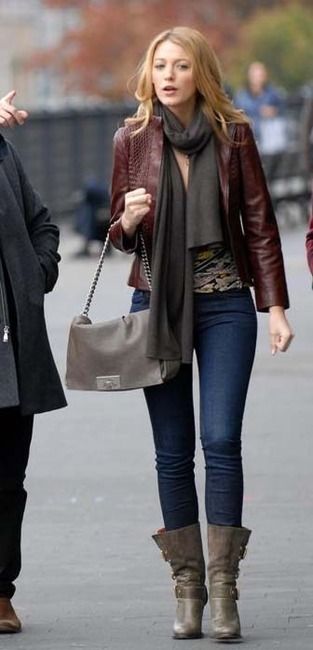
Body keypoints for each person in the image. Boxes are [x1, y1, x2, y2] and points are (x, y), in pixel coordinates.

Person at [109, 27, 293, 641]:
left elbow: (260, 224)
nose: (167, 75)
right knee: (171, 451)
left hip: (225, 308)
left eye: (180, 65)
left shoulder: (233, 135)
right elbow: (119, 234)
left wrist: (276, 308)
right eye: (159, 64)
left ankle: (224, 593)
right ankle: (188, 591)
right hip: (156, 306)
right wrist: (128, 218)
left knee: (220, 440)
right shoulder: (131, 140)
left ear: (200, 73)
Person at [0, 95, 67, 633]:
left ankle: (1, 592)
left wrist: (35, 275)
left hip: (13, 344)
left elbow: (42, 222)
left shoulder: (4, 154)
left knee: (7, 480)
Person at [234, 61, 286, 153]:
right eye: (256, 75)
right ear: (249, 76)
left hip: (270, 142)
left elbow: (284, 110)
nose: (258, 78)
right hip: (249, 139)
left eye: (261, 74)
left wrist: (274, 111)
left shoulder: (273, 94)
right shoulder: (241, 96)